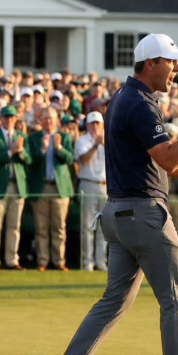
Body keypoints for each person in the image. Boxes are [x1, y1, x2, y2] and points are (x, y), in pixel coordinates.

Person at [41, 33, 178, 355]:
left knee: (114, 302)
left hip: (120, 213)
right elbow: (168, 157)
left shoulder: (125, 99)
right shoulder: (141, 104)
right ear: (150, 64)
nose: (176, 69)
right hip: (144, 216)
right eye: (171, 62)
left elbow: (159, 164)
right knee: (175, 299)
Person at [0, 105, 30, 271]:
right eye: (6, 117)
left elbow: (28, 159)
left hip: (17, 185)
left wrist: (21, 152)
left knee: (14, 226)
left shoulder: (21, 136)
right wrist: (10, 152)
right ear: (1, 119)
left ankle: (11, 260)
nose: (9, 120)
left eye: (12, 117)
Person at [29, 106, 75, 271]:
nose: (48, 121)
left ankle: (59, 261)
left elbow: (70, 159)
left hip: (59, 189)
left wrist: (59, 149)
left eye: (51, 118)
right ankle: (42, 261)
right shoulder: (34, 138)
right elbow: (30, 161)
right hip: (41, 187)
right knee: (41, 228)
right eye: (45, 118)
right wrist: (42, 150)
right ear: (40, 120)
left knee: (59, 228)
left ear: (56, 120)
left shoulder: (64, 137)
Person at [75, 111, 107, 272]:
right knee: (88, 226)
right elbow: (83, 160)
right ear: (87, 125)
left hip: (106, 186)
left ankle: (101, 262)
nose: (95, 126)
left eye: (98, 123)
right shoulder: (82, 141)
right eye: (92, 123)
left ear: (102, 125)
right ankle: (88, 262)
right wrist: (96, 145)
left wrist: (105, 143)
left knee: (105, 228)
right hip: (88, 184)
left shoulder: (110, 140)